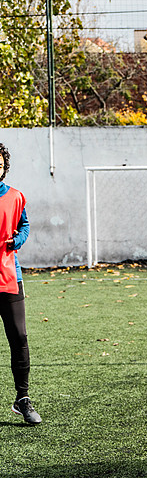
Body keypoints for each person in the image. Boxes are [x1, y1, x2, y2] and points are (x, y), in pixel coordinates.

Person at [0, 143, 40, 425]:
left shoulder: (16, 196)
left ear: (4, 166)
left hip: (10, 278)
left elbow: (24, 225)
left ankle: (22, 399)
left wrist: (19, 239)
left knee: (19, 338)